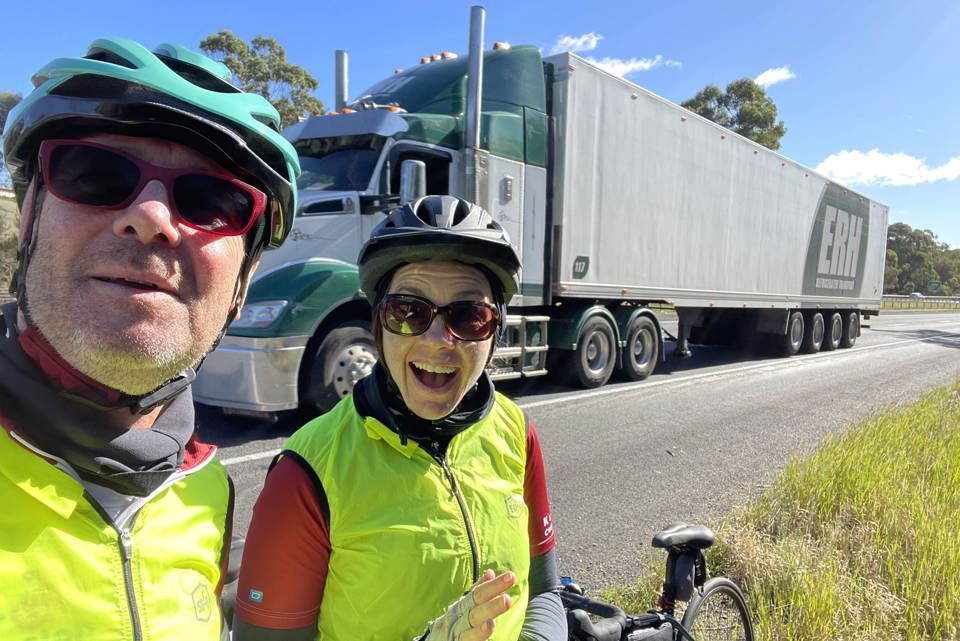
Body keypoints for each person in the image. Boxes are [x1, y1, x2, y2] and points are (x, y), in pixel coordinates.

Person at [0, 38, 299, 640]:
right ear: (28, 216)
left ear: (244, 282)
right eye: (95, 174)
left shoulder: (205, 488)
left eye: (213, 201)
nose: (153, 217)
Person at [235, 195, 567, 641]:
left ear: (496, 332)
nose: (437, 340)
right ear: (378, 325)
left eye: (470, 317)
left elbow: (543, 591)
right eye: (408, 311)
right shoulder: (307, 472)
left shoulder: (515, 432)